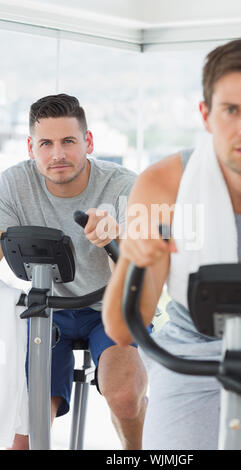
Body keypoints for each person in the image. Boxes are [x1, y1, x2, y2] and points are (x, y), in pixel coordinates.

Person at [102, 38, 241, 450]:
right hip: (193, 342)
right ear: (206, 115)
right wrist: (132, 262)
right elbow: (122, 329)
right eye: (231, 110)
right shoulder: (162, 184)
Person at [0, 93, 150, 450]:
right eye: (46, 143)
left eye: (68, 141)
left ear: (89, 142)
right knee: (25, 436)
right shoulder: (12, 185)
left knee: (124, 395)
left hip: (109, 306)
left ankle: (136, 451)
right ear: (31, 147)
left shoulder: (125, 185)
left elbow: (139, 272)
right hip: (44, 310)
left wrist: (114, 240)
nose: (58, 155)